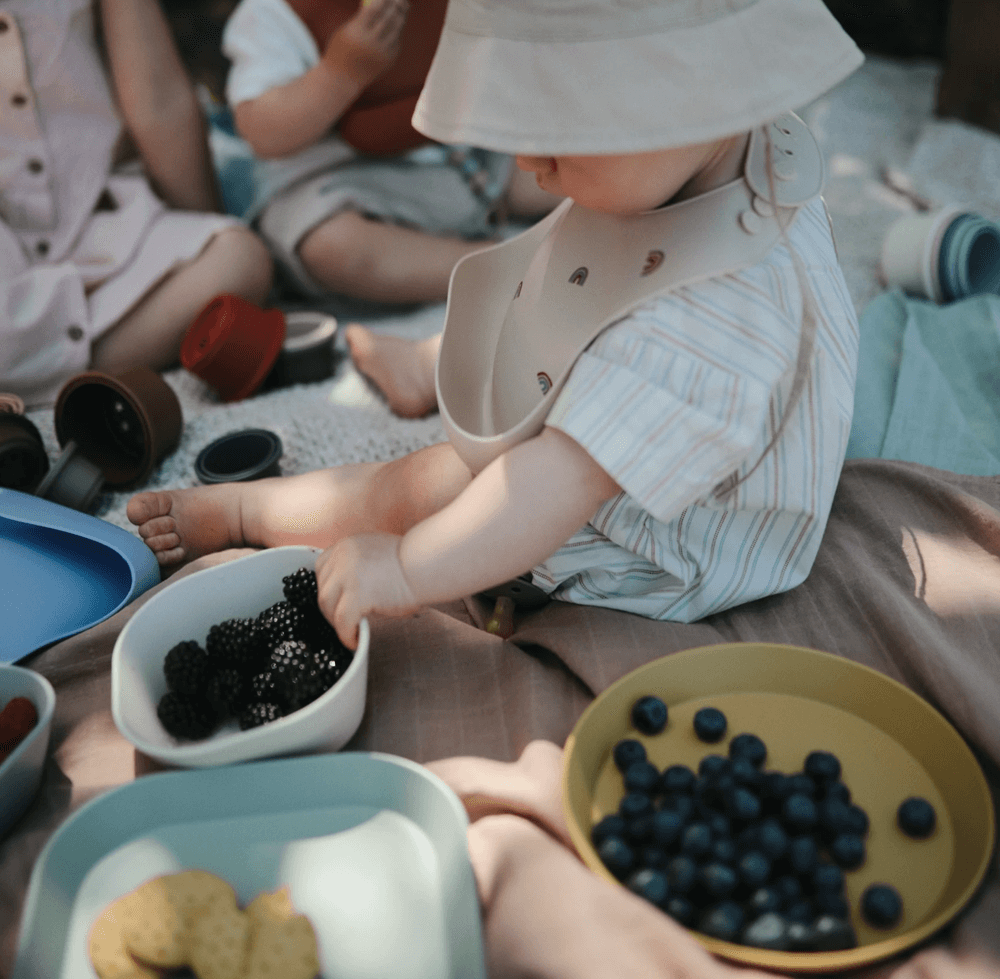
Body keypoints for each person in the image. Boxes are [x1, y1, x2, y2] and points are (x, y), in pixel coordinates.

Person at [129, 0, 864, 651]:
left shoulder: (704, 321)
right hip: (676, 438)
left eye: (557, 134)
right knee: (547, 288)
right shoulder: (736, 145)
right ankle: (428, 359)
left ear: (690, 94)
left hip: (666, 557)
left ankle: (246, 510)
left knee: (416, 490)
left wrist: (409, 566)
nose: (527, 161)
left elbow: (546, 486)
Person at [0, 0, 274, 409]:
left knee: (240, 258)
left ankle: (40, 374)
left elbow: (156, 100)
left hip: (97, 224)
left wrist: (205, 231)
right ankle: (62, 373)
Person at [221, 0, 558, 319]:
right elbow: (261, 130)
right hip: (353, 188)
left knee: (561, 163)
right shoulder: (272, 16)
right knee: (331, 248)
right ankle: (486, 266)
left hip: (468, 153)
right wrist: (340, 71)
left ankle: (585, 222)